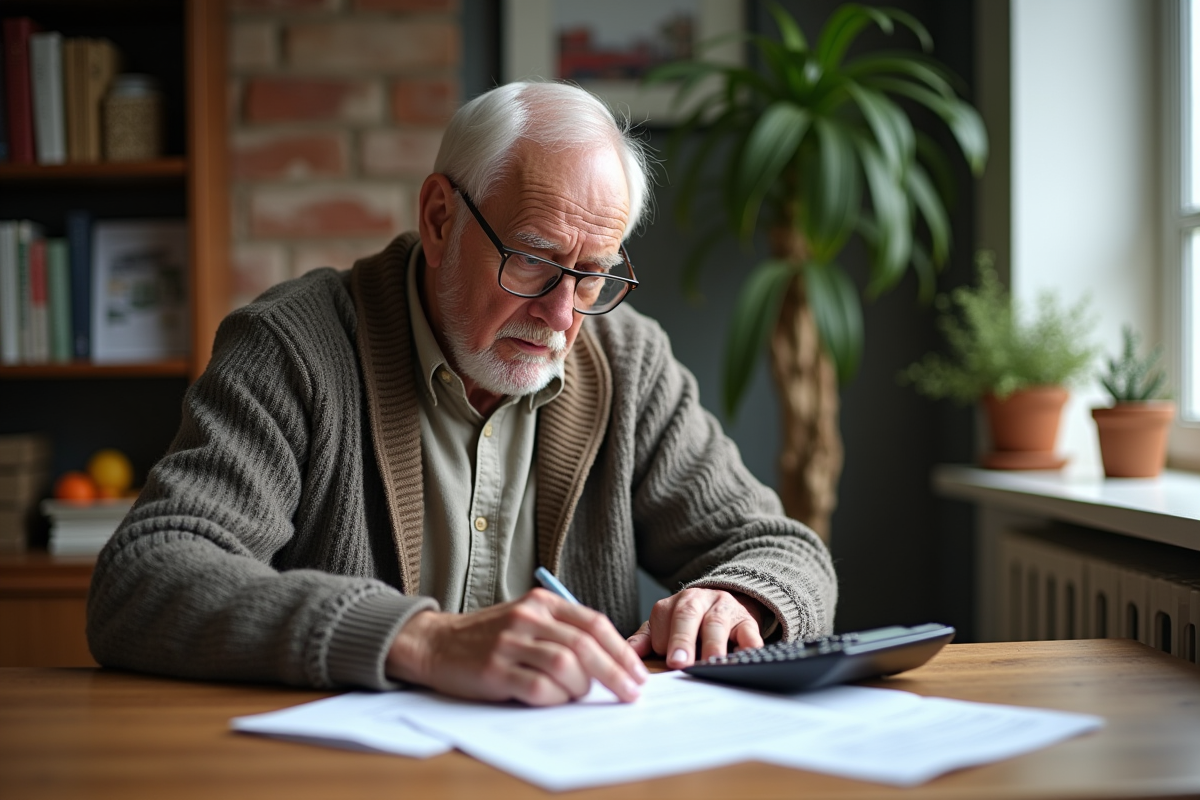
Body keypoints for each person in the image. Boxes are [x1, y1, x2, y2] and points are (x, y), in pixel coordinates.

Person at [86, 81, 837, 707]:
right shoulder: (292, 349)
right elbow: (147, 576)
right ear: (440, 219)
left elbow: (785, 551)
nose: (562, 314)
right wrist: (422, 639)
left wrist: (742, 597)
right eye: (535, 261)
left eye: (594, 274)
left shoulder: (627, 358)